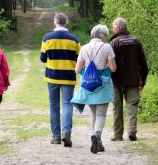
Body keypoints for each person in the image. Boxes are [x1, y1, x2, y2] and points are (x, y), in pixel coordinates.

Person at [71, 24, 116, 154]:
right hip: (103, 84)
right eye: (106, 36)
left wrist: (88, 71)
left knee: (94, 114)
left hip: (88, 86)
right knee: (101, 114)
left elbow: (77, 70)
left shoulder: (84, 48)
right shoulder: (107, 47)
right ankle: (96, 135)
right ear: (102, 35)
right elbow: (113, 68)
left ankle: (98, 141)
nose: (106, 38)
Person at [40, 12, 81, 147]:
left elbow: (43, 58)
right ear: (66, 23)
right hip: (69, 76)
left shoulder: (47, 38)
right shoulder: (74, 39)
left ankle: (56, 136)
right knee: (68, 104)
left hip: (52, 76)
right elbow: (78, 58)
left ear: (55, 22)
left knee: (54, 105)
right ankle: (66, 132)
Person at [109, 17, 149, 142]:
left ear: (117, 28)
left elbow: (110, 65)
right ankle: (132, 132)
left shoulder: (114, 43)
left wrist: (110, 80)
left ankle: (117, 135)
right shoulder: (136, 41)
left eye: (113, 27)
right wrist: (143, 80)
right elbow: (144, 63)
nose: (112, 29)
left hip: (117, 81)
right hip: (133, 80)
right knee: (132, 106)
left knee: (117, 107)